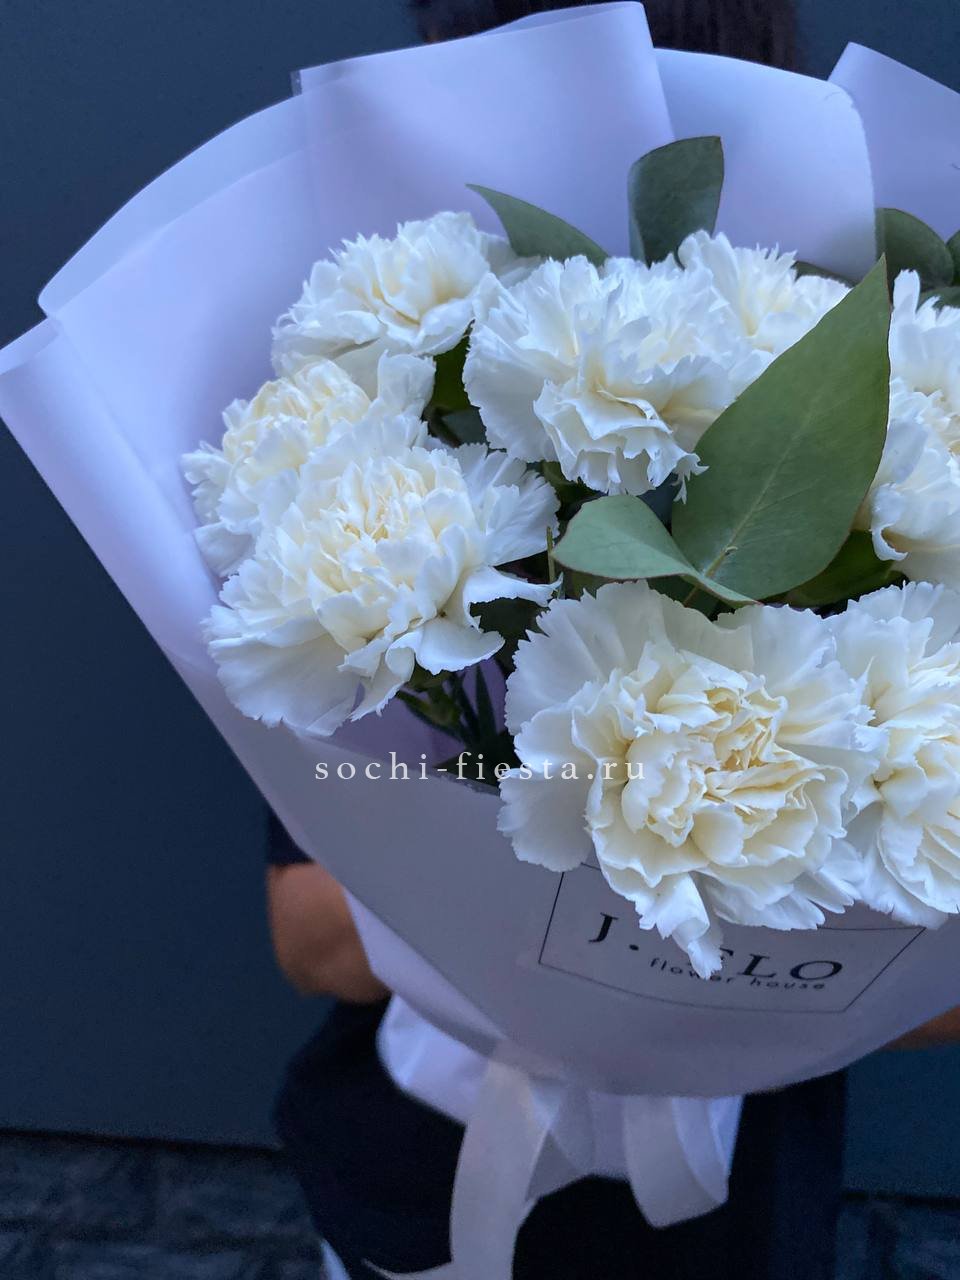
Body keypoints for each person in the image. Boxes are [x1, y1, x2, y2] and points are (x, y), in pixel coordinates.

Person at [266, 4, 960, 1277]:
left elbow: (934, 995)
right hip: (403, 1176)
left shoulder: (838, 395)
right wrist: (548, 930)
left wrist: (712, 948)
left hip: (737, 1210)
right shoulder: (387, 478)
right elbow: (308, 934)